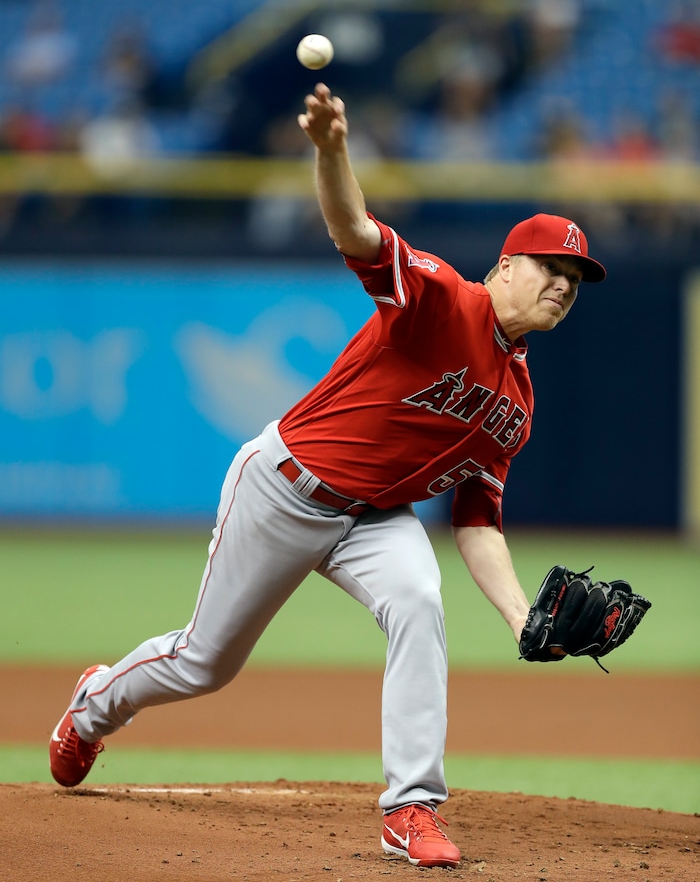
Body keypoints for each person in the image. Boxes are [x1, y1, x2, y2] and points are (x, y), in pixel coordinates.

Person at [49, 83, 606, 869]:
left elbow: (478, 520)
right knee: (206, 663)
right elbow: (356, 231)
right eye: (550, 266)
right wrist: (332, 148)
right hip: (285, 485)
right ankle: (94, 705)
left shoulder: (517, 403)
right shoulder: (444, 299)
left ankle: (410, 808)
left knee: (418, 600)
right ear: (506, 265)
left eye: (575, 281)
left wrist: (520, 619)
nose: (562, 285)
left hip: (374, 519)